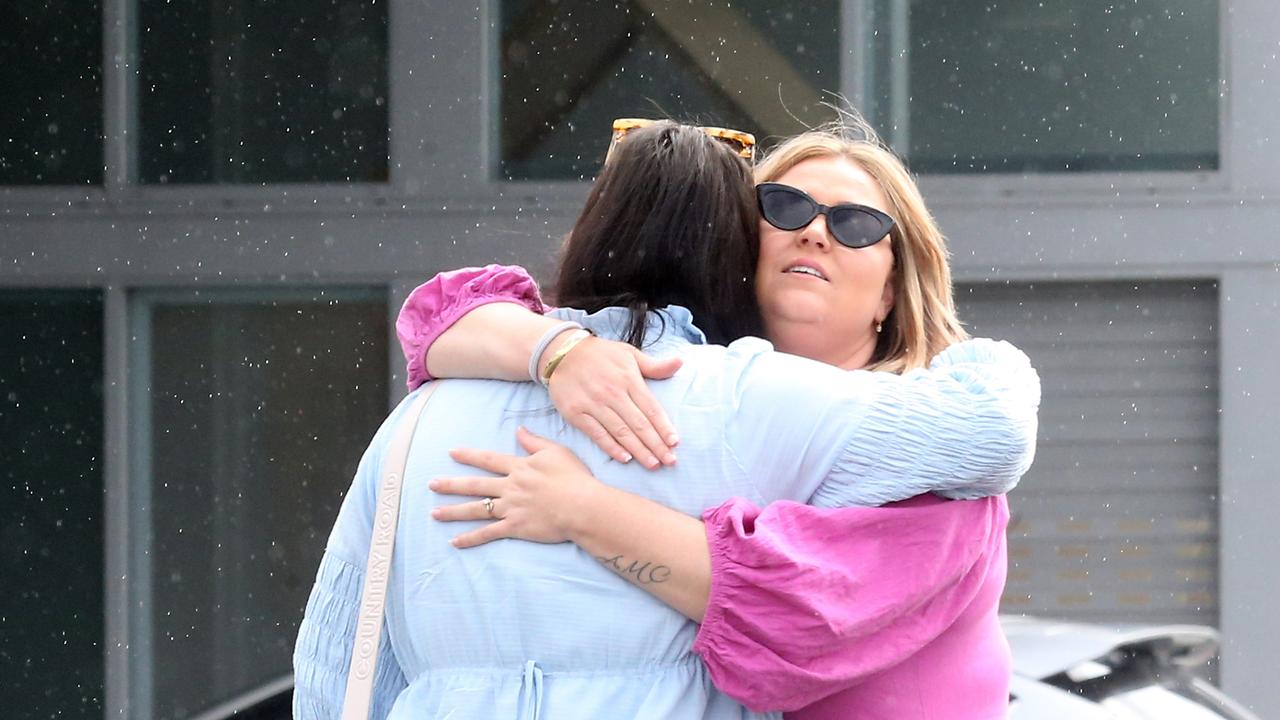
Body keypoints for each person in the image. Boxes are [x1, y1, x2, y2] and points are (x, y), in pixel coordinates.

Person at [292, 121, 1036, 720]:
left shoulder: (934, 474)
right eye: (783, 207)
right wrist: (556, 351)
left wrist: (585, 510)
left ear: (891, 291)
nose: (815, 232)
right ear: (737, 245)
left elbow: (792, 620)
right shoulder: (722, 395)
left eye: (855, 222)